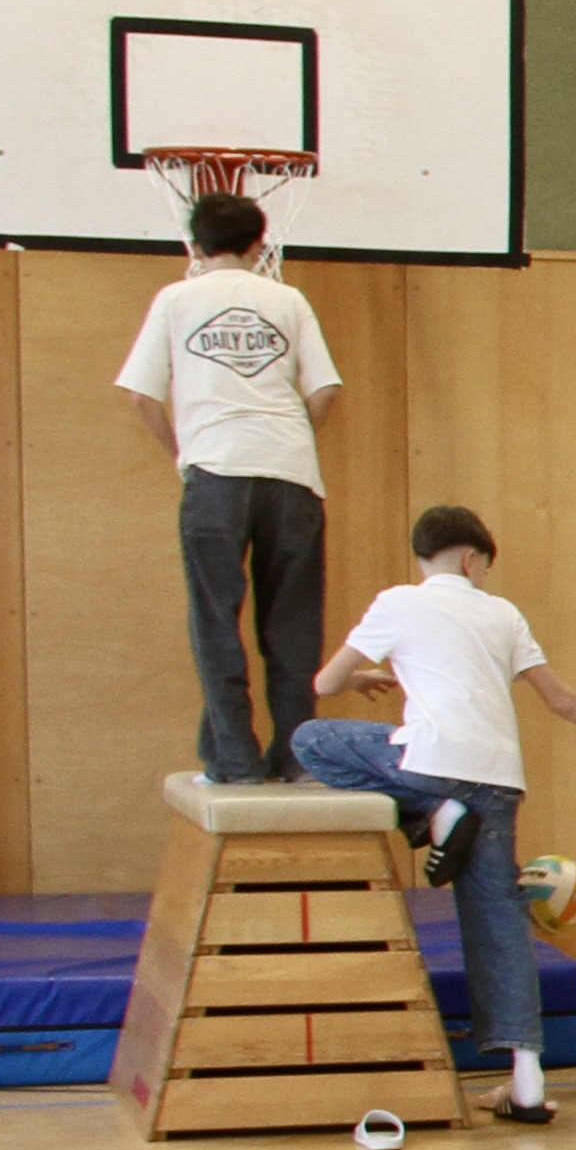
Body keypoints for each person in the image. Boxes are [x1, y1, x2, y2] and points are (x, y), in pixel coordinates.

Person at [294, 505, 576, 1128]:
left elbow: (325, 683)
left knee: (312, 739)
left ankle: (431, 814)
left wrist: (360, 679)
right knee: (500, 923)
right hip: (499, 781)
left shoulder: (399, 602)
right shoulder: (504, 614)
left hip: (430, 764)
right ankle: (526, 1084)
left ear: (424, 558)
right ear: (472, 559)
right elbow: (560, 698)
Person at [118, 192, 341, 784]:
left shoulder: (176, 298)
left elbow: (140, 396)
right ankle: (295, 758)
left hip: (216, 469)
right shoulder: (288, 299)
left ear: (193, 246)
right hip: (292, 473)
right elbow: (324, 390)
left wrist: (182, 454)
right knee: (293, 625)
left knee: (216, 620)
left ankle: (234, 760)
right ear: (260, 246)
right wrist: (292, 441)